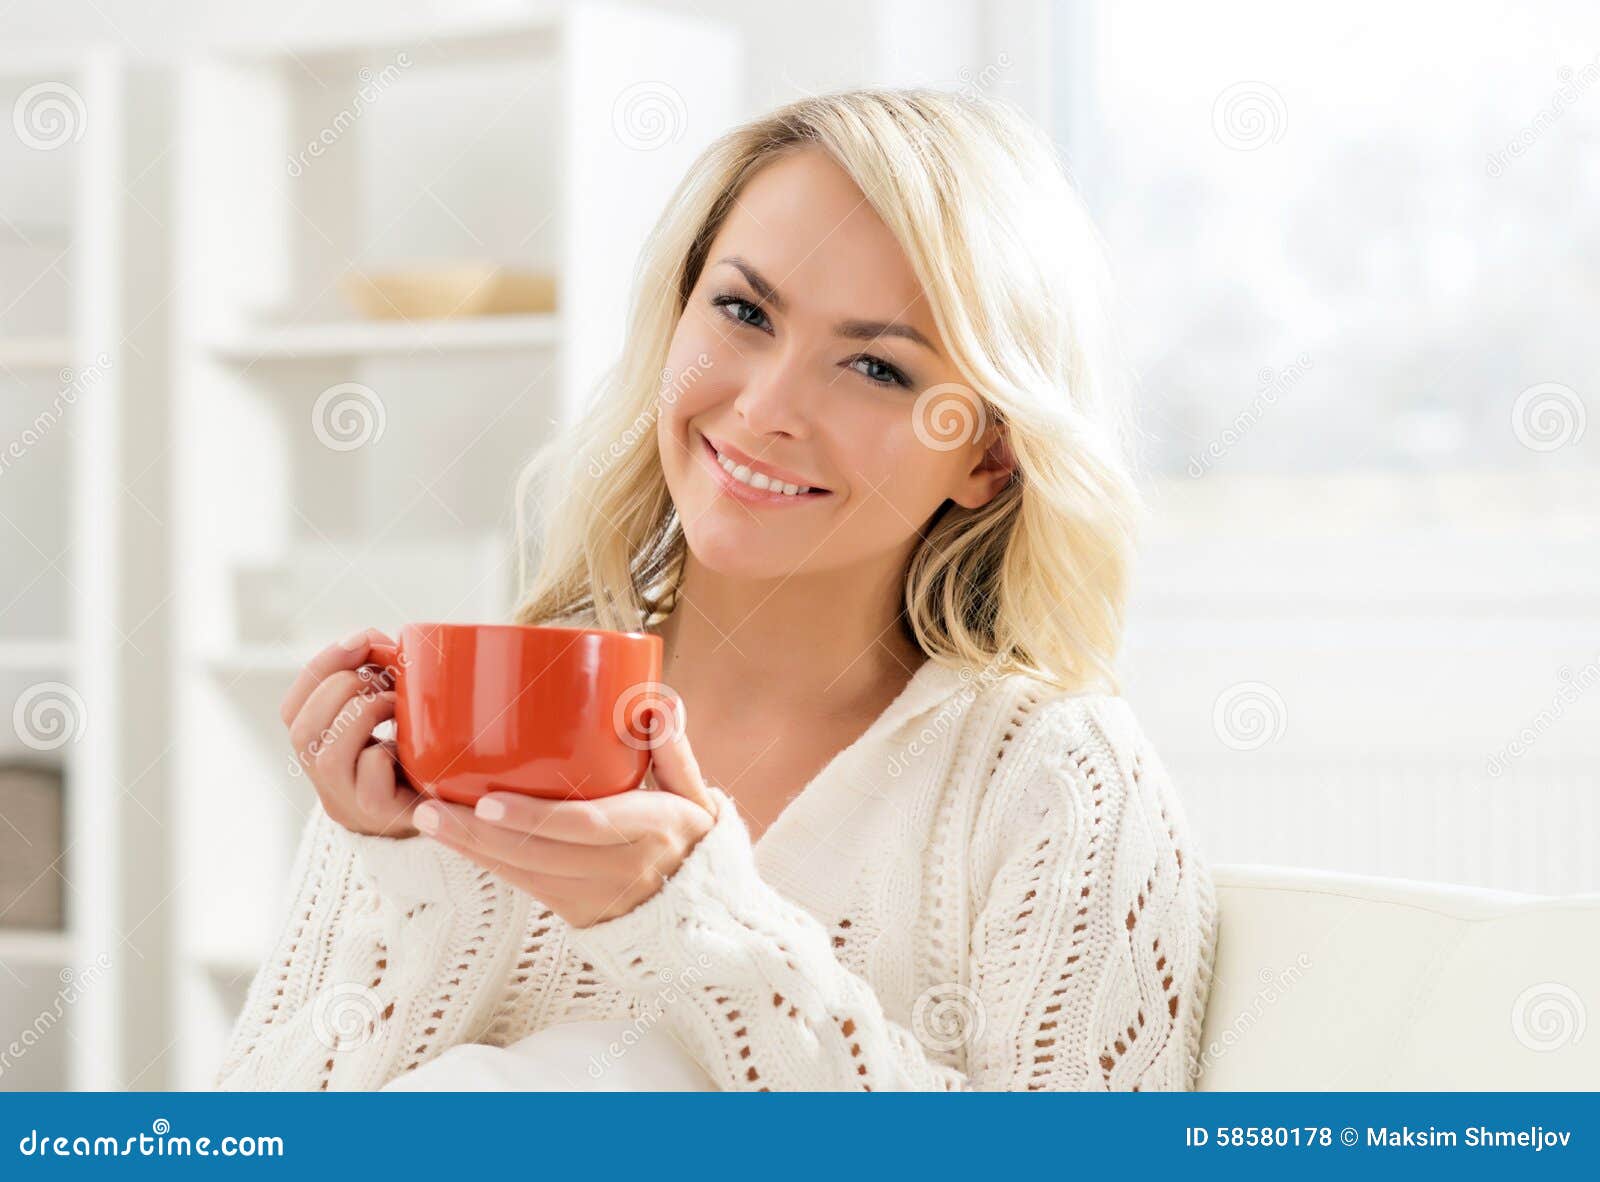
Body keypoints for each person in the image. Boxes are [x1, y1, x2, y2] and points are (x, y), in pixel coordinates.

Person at [217, 87, 1218, 1092]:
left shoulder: (1052, 781)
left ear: (989, 457)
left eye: (875, 367)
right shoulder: (478, 719)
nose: (765, 407)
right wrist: (418, 869)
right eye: (743, 312)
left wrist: (697, 927)